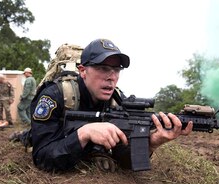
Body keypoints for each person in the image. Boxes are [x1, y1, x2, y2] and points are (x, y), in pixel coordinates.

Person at [29, 38, 193, 172]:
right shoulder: (55, 95)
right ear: (83, 71)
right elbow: (42, 158)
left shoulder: (118, 101)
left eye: (116, 70)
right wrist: (84, 133)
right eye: (103, 68)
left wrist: (152, 142)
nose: (111, 77)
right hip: (52, 133)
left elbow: (123, 157)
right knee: (29, 136)